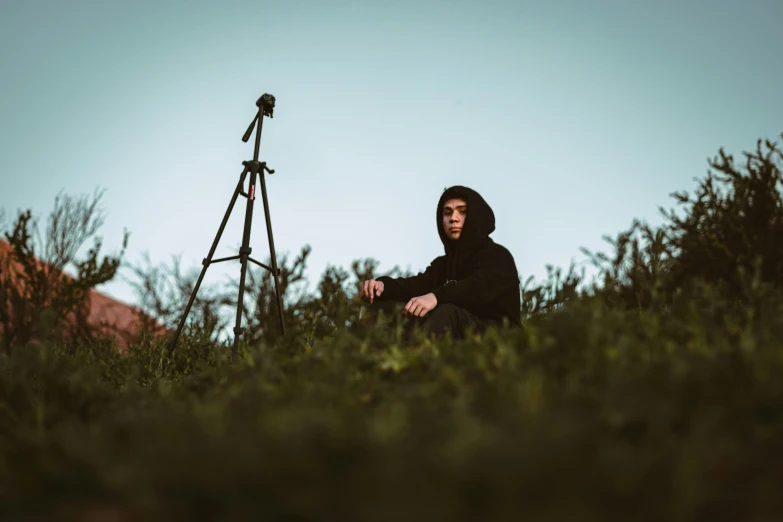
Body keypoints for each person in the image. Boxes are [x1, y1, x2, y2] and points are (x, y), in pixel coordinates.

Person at [358, 185, 521, 343]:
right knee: (384, 309)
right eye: (447, 212)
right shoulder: (443, 265)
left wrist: (436, 296)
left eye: (463, 212)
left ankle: (413, 365)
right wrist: (383, 286)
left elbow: (477, 288)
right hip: (454, 331)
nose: (453, 218)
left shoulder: (498, 255)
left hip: (499, 339)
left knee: (447, 312)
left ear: (475, 216)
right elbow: (417, 285)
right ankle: (355, 361)